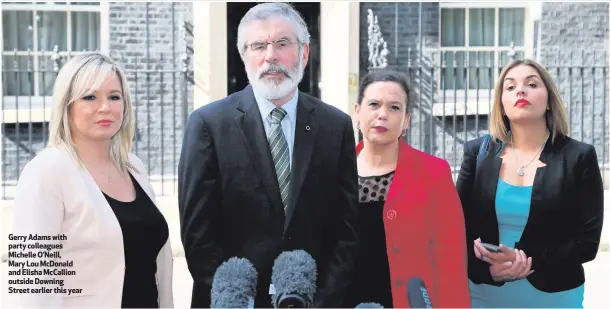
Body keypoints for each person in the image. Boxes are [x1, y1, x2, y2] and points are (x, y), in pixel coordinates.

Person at [177, 3, 359, 308]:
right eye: (258, 45)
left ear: (304, 53)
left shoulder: (336, 126)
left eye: (282, 43)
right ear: (244, 56)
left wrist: (323, 300)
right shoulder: (208, 125)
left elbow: (347, 230)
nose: (270, 55)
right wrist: (236, 300)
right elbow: (198, 235)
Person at [10, 53, 174, 308]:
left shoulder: (134, 168)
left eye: (114, 97)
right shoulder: (46, 171)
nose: (105, 107)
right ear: (67, 105)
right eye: (90, 97)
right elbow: (33, 281)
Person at [456, 58, 604, 308]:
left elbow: (587, 243)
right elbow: (455, 231)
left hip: (555, 296)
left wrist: (526, 258)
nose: (520, 91)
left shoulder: (579, 156)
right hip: (485, 294)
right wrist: (485, 271)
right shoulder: (477, 153)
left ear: (549, 100)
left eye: (531, 84)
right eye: (510, 87)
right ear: (501, 104)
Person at [342, 70, 471, 308]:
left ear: (406, 120)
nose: (383, 114)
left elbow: (451, 261)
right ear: (357, 112)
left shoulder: (433, 173)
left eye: (394, 108)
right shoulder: (336, 170)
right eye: (374, 104)